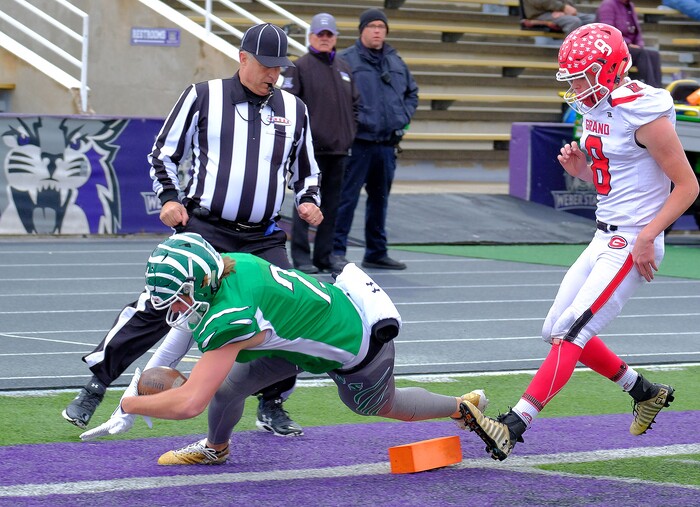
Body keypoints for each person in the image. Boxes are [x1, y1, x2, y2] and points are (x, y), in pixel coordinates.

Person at [63, 23, 323, 438]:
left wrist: (309, 199)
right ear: (242, 58)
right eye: (265, 65)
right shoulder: (203, 96)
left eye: (279, 68)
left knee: (285, 312)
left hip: (264, 235)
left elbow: (307, 170)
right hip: (207, 229)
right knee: (160, 305)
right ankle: (97, 383)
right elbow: (162, 154)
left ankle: (272, 402)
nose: (273, 75)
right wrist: (169, 198)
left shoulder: (295, 108)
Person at [459, 23, 699, 461]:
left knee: (571, 332)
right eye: (572, 78)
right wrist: (584, 174)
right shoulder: (596, 105)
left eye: (583, 77)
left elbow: (687, 186)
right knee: (554, 330)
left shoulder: (642, 110)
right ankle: (644, 391)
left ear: (609, 69)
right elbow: (620, 176)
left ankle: (513, 425)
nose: (576, 86)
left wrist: (648, 236)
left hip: (632, 241)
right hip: (604, 235)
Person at [111, 232, 488, 465]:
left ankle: (461, 406)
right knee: (228, 389)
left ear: (202, 280)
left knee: (380, 405)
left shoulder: (232, 316)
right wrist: (141, 379)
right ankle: (216, 448)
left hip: (352, 343)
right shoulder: (231, 266)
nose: (176, 308)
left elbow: (189, 403)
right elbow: (184, 334)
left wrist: (129, 404)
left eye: (178, 298)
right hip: (301, 330)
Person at [333, 8, 418, 271]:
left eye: (382, 26)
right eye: (372, 26)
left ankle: (376, 252)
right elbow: (338, 98)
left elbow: (412, 94)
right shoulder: (346, 60)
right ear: (362, 30)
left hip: (387, 145)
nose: (378, 31)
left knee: (379, 200)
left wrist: (401, 118)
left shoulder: (395, 61)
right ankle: (336, 251)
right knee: (346, 199)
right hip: (358, 144)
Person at [281, 13, 360, 274]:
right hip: (310, 152)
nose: (325, 39)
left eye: (329, 35)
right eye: (320, 34)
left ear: (335, 38)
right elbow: (288, 105)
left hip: (339, 150)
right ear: (311, 37)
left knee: (331, 206)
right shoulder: (299, 67)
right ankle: (302, 257)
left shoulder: (344, 67)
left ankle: (325, 256)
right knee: (305, 203)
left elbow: (356, 105)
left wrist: (350, 132)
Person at [597, 0, 663, 88]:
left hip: (629, 49)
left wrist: (639, 44)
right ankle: (650, 87)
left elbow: (637, 32)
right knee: (641, 53)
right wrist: (627, 44)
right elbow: (607, 32)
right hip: (614, 49)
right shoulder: (608, 4)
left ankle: (658, 89)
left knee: (654, 55)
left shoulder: (630, 5)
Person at [521, 0, 595, 34]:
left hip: (560, 11)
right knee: (574, 21)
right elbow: (539, 2)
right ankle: (569, 52)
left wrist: (563, 9)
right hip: (540, 14)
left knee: (593, 19)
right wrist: (562, 7)